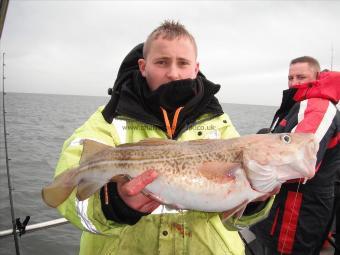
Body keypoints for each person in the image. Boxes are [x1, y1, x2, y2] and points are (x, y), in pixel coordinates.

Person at [53, 20, 275, 255]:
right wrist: (115, 205)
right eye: (161, 62)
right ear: (143, 66)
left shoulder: (218, 123)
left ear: (195, 68)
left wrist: (253, 201)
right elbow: (66, 192)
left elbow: (233, 221)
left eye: (183, 63)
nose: (173, 73)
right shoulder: (109, 119)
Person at [251, 56, 340, 255]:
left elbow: (299, 163)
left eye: (301, 77)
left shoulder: (318, 106)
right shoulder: (299, 104)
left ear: (317, 77)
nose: (294, 83)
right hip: (281, 208)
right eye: (290, 78)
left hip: (296, 212)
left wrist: (249, 170)